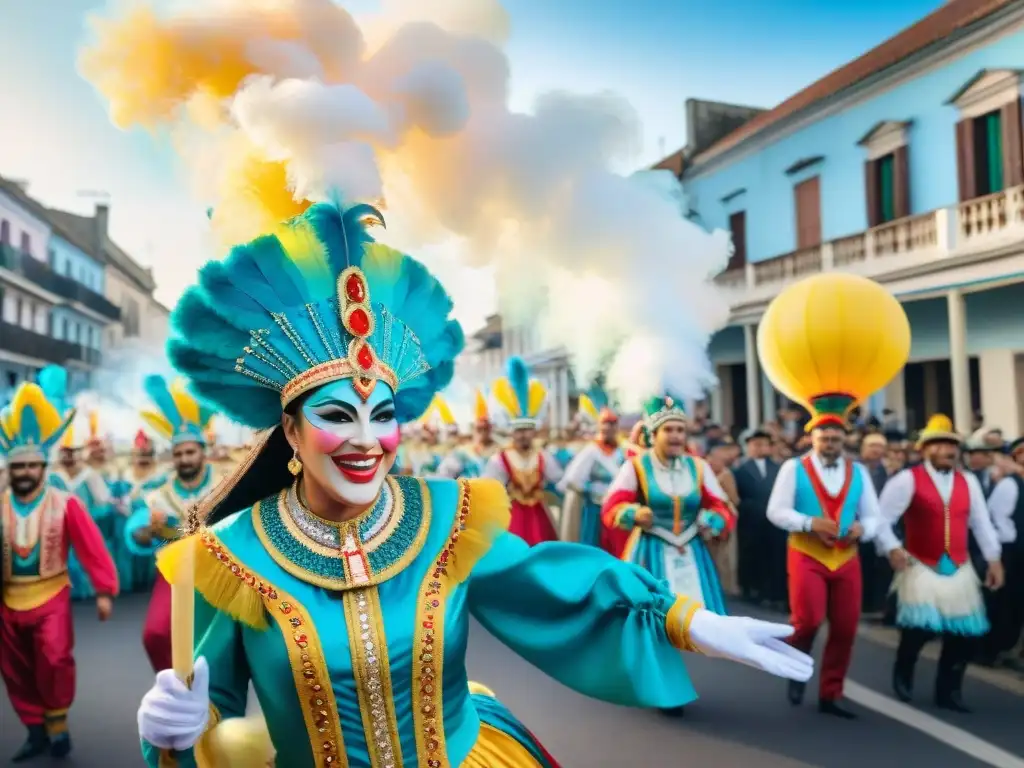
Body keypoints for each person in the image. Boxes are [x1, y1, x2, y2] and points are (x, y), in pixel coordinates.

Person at [134, 201, 813, 767]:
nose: (368, 440)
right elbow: (208, 707)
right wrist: (174, 733)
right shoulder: (225, 557)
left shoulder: (446, 519)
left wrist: (689, 621)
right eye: (339, 416)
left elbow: (563, 586)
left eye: (384, 414)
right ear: (291, 431)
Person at [0, 371, 118, 761]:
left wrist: (103, 590)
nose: (25, 473)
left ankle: (57, 725)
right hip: (7, 599)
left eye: (33, 466)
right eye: (19, 467)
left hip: (51, 594)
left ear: (42, 466)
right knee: (14, 670)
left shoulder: (64, 501)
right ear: (11, 469)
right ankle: (34, 731)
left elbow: (92, 546)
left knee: (54, 659)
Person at [600, 393, 737, 714]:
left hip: (691, 552)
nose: (676, 436)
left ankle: (665, 682)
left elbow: (722, 506)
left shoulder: (698, 467)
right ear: (654, 434)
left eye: (680, 430)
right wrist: (635, 513)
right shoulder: (636, 467)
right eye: (669, 431)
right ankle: (663, 686)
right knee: (653, 620)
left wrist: (713, 520)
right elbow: (611, 508)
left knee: (687, 622)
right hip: (650, 550)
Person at [876, 415, 1005, 711]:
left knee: (962, 635)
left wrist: (994, 559)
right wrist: (893, 549)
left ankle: (949, 691)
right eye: (942, 445)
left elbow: (982, 523)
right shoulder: (907, 480)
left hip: (959, 566)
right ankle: (904, 668)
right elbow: (882, 520)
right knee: (919, 629)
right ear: (926, 450)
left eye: (953, 445)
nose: (950, 451)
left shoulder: (968, 481)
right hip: (920, 564)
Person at [766, 415, 885, 719]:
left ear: (844, 440)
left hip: (846, 556)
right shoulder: (794, 467)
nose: (830, 444)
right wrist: (807, 522)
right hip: (807, 552)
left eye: (835, 439)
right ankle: (795, 666)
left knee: (845, 627)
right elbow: (776, 511)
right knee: (807, 621)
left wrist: (864, 529)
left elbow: (874, 515)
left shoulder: (858, 470)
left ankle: (831, 693)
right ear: (812, 439)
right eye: (824, 438)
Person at [124, 375, 219, 672]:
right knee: (156, 634)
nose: (184, 458)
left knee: (221, 649)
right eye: (178, 453)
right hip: (174, 574)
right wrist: (152, 530)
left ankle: (215, 706)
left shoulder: (224, 486)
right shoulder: (158, 495)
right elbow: (137, 534)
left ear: (202, 451)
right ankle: (176, 690)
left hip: (221, 573)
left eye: (190, 451)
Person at [483, 357, 563, 545]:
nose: (523, 435)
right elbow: (489, 488)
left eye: (527, 430)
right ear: (511, 432)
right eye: (519, 431)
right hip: (512, 518)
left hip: (540, 516)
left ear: (533, 431)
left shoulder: (543, 456)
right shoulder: (500, 459)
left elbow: (560, 481)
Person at [557, 389, 625, 548]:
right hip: (594, 511)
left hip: (618, 510)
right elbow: (572, 480)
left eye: (612, 423)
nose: (609, 427)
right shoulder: (590, 451)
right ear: (599, 425)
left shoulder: (622, 451)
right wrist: (592, 490)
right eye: (605, 423)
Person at [982, 436, 1023, 669]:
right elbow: (995, 516)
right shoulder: (1010, 484)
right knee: (1006, 602)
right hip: (1011, 550)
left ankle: (1011, 647)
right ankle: (994, 650)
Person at [733, 428, 782, 607]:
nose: (759, 448)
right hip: (750, 521)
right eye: (754, 444)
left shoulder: (779, 468)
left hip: (774, 522)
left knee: (774, 556)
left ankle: (774, 592)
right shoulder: (739, 470)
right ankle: (751, 589)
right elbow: (736, 496)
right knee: (751, 554)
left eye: (763, 444)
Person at [436, 390, 499, 479]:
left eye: (486, 428)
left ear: (491, 428)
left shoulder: (499, 452)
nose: (482, 432)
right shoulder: (461, 452)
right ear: (473, 428)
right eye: (479, 428)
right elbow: (444, 476)